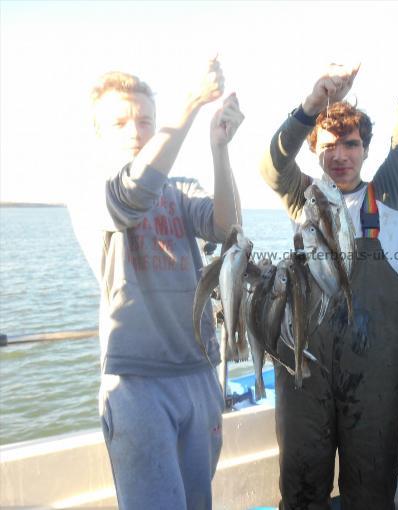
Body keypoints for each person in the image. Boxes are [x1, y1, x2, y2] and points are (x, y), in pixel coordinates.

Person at [259, 1, 398, 507]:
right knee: (303, 486)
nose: (339, 154)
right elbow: (270, 166)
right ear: (314, 149)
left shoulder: (390, 195)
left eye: (351, 144)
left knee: (371, 490)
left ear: (365, 150)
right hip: (305, 371)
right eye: (328, 144)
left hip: (373, 378)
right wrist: (311, 103)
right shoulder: (301, 196)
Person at [68, 61, 244, 510]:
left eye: (145, 119)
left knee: (197, 501)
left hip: (199, 370)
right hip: (135, 380)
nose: (135, 129)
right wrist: (188, 106)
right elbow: (133, 196)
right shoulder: (91, 190)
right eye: (121, 121)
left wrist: (219, 147)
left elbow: (226, 227)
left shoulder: (181, 188)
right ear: (98, 133)